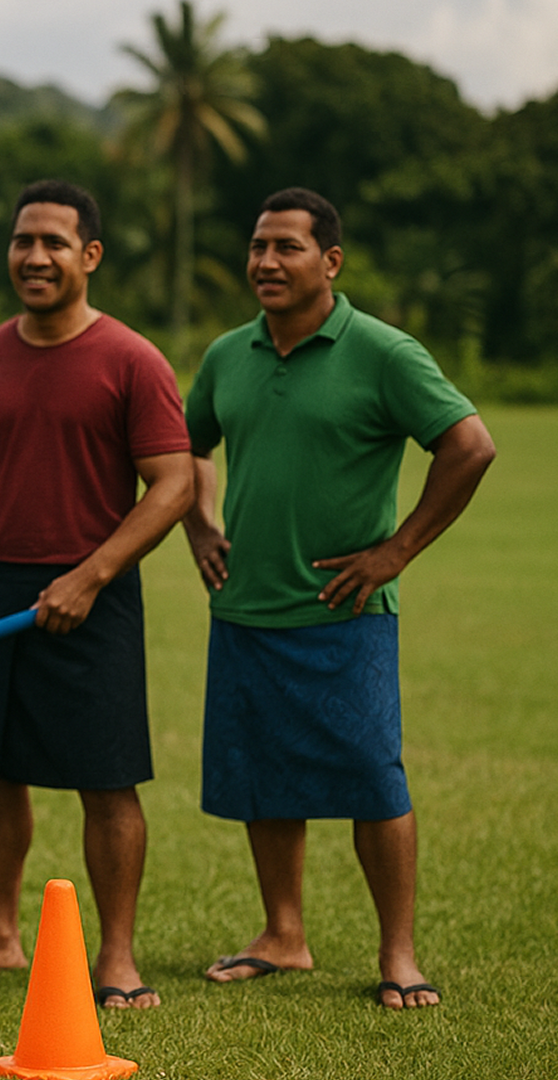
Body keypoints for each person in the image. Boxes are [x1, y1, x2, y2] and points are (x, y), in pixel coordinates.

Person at [184, 187, 494, 1011]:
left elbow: (469, 445)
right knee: (263, 777)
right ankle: (282, 936)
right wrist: (199, 527)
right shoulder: (227, 355)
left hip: (344, 611)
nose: (266, 262)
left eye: (287, 247)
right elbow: (184, 450)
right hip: (245, 607)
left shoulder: (385, 353)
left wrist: (397, 551)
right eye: (258, 246)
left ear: (331, 261)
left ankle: (399, 954)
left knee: (371, 780)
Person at [0, 180, 193, 1010]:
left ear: (90, 257)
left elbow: (173, 484)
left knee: (108, 780)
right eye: (22, 241)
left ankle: (118, 956)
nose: (35, 257)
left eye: (55, 244)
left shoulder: (133, 360)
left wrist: (92, 575)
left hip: (93, 591)